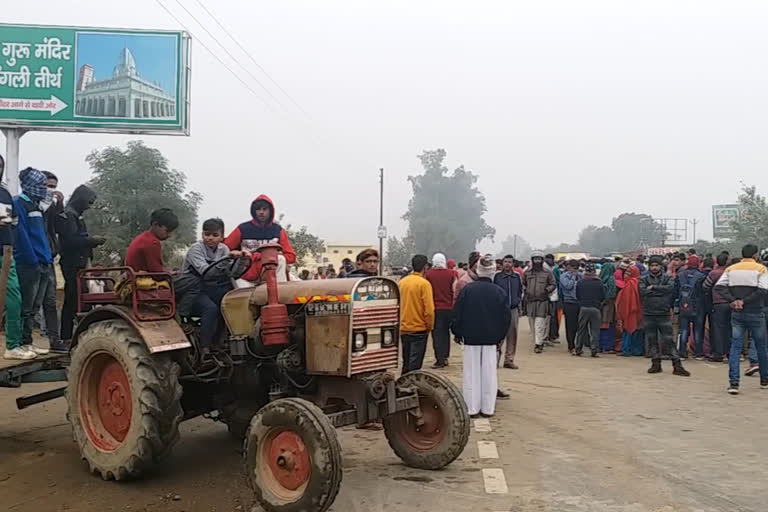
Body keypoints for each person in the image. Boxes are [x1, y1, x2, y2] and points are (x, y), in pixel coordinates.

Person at [453, 255, 510, 418]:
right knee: (489, 373)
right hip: (491, 339)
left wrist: (457, 333)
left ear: (477, 270)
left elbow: (457, 314)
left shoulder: (467, 290)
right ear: (493, 271)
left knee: (471, 373)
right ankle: (488, 408)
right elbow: (506, 318)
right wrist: (499, 337)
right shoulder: (499, 292)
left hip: (470, 338)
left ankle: (471, 406)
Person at [180, 218, 244, 354]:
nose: (210, 238)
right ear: (202, 234)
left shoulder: (224, 249)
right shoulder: (195, 250)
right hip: (193, 289)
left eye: (215, 235)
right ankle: (205, 346)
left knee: (232, 304)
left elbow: (232, 273)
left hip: (213, 288)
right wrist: (227, 259)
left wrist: (242, 259)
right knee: (211, 309)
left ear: (222, 237)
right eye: (207, 234)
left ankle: (228, 341)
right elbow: (206, 273)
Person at [13, 168, 57, 356]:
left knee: (34, 307)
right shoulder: (18, 203)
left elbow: (41, 235)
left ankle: (28, 341)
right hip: (29, 264)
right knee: (25, 305)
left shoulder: (36, 206)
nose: (44, 189)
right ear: (30, 186)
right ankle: (20, 342)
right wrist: (32, 260)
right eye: (41, 185)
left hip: (43, 261)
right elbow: (21, 235)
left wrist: (47, 257)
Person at [715, 244, 768, 395]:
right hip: (755, 312)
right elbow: (763, 291)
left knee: (735, 348)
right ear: (755, 255)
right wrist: (745, 301)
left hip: (737, 313)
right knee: (761, 347)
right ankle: (764, 380)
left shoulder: (731, 269)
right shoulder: (761, 269)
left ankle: (734, 383)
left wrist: (733, 300)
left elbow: (718, 287)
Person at [56, 185, 104, 343]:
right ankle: (66, 336)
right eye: (88, 202)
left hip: (79, 262)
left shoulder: (77, 215)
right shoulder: (70, 215)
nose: (89, 206)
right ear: (81, 199)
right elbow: (70, 241)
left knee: (79, 299)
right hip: (72, 263)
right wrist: (91, 241)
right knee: (72, 299)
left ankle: (73, 335)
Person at [224, 195, 296, 284]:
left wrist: (268, 257)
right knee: (240, 296)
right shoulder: (242, 229)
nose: (261, 212)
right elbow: (224, 249)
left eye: (264, 209)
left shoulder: (278, 230)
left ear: (270, 211)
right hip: (246, 275)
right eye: (258, 209)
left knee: (281, 259)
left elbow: (291, 257)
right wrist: (240, 255)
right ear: (254, 211)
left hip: (270, 275)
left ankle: (280, 295)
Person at [641, 255, 690, 376]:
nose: (654, 267)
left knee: (668, 340)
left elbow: (670, 289)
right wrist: (659, 291)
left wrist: (653, 288)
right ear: (649, 266)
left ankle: (677, 365)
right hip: (649, 313)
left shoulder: (667, 278)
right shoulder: (643, 279)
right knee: (652, 340)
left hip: (663, 313)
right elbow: (642, 291)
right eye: (652, 265)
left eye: (656, 265)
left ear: (660, 267)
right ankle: (655, 364)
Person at [0, 155, 27, 360]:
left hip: (5, 255)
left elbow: (12, 224)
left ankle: (12, 345)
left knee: (13, 298)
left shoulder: (5, 194)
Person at [37, 170, 63, 348]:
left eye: (53, 187)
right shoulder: (31, 206)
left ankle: (55, 340)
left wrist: (59, 204)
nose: (50, 190)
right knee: (31, 302)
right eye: (47, 186)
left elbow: (59, 226)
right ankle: (25, 341)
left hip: (48, 256)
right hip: (33, 258)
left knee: (50, 300)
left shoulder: (51, 208)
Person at [398, 254, 434, 373]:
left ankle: (402, 384)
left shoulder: (402, 283)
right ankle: (411, 386)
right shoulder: (424, 284)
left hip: (403, 327)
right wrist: (429, 327)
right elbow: (429, 310)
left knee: (406, 361)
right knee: (415, 365)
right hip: (419, 329)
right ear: (425, 267)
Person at [425, 253, 456, 369]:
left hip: (435, 309)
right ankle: (446, 357)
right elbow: (454, 290)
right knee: (446, 333)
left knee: (437, 334)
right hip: (448, 309)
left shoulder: (428, 275)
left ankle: (439, 359)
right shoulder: (452, 273)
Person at [493, 254, 523, 369]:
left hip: (513, 309)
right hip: (500, 310)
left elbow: (520, 292)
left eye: (510, 262)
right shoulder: (497, 277)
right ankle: (495, 359)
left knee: (512, 335)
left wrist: (519, 304)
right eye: (505, 262)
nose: (507, 264)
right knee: (498, 334)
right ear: (502, 263)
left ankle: (509, 360)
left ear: (513, 264)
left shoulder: (517, 277)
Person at [675, 255, 707, 359]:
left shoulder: (680, 275)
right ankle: (698, 353)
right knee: (697, 330)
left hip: (683, 306)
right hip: (698, 307)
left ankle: (682, 353)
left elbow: (675, 292)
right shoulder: (701, 276)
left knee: (683, 330)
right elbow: (704, 292)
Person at [524, 251, 556, 353]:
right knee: (532, 323)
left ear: (542, 260)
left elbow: (553, 284)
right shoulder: (527, 272)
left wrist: (547, 290)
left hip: (542, 301)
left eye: (539, 259)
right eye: (535, 259)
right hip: (530, 301)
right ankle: (536, 341)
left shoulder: (547, 272)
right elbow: (523, 284)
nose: (537, 261)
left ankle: (539, 344)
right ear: (532, 260)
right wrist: (525, 290)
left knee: (540, 322)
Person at [703, 252, 731, 362]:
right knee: (730, 328)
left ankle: (718, 353)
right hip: (731, 303)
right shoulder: (730, 273)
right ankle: (730, 352)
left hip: (718, 303)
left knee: (718, 329)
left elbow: (705, 286)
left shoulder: (713, 273)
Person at [574, 263, 605, 357]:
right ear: (594, 271)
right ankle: (594, 350)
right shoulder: (599, 282)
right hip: (595, 308)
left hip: (583, 307)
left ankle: (578, 349)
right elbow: (602, 296)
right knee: (595, 330)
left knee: (581, 330)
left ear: (585, 271)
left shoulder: (580, 282)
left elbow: (577, 296)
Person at [616, 265, 644, 356]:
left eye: (629, 273)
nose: (626, 275)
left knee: (628, 329)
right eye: (626, 272)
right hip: (637, 311)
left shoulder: (630, 284)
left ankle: (626, 349)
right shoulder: (638, 282)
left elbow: (627, 300)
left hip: (630, 311)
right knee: (637, 330)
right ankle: (636, 350)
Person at [559, 260, 581, 353]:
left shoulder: (581, 275)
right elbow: (567, 286)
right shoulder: (564, 276)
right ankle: (571, 345)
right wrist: (573, 277)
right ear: (569, 267)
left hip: (579, 302)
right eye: (573, 268)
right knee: (570, 325)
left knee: (578, 325)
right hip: (569, 302)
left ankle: (578, 345)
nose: (575, 270)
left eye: (577, 268)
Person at [598, 261, 618, 353]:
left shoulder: (599, 279)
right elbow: (612, 293)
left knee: (600, 325)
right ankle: (607, 346)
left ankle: (599, 345)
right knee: (609, 325)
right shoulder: (611, 279)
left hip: (600, 305)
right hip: (609, 305)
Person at [545, 253, 561, 343]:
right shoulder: (553, 270)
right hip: (551, 296)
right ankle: (551, 336)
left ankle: (551, 336)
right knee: (551, 317)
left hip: (553, 296)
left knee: (553, 317)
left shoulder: (552, 269)